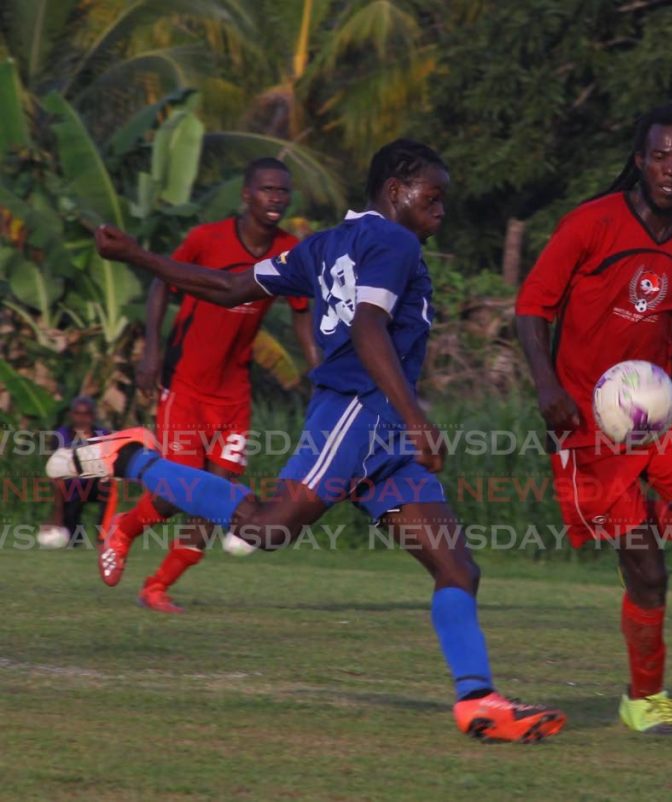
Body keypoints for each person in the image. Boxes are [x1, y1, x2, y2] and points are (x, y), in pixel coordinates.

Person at [48, 139, 565, 743]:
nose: (440, 208)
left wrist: (141, 256)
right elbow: (368, 326)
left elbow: (228, 287)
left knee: (456, 565)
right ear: (396, 190)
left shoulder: (318, 245)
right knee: (266, 528)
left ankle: (479, 701)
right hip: (354, 412)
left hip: (383, 434)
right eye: (434, 195)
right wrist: (416, 417)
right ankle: (132, 455)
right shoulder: (393, 241)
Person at [515, 100, 672, 737]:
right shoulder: (590, 223)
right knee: (647, 570)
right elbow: (531, 308)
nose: (670, 167)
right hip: (585, 423)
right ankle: (644, 701)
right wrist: (546, 386)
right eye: (659, 155)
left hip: (657, 414)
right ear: (639, 160)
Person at [98, 158, 319, 613]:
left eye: (283, 191)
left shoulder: (290, 250)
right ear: (246, 194)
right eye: (267, 189)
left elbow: (302, 312)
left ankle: (157, 586)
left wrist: (321, 372)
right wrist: (152, 351)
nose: (276, 198)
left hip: (234, 393)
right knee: (176, 491)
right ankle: (123, 527)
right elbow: (163, 281)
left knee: (222, 498)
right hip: (186, 385)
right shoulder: (206, 239)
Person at [38, 397, 111, 547]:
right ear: (72, 415)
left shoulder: (103, 435)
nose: (82, 418)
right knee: (72, 508)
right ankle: (74, 537)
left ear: (93, 415)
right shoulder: (61, 435)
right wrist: (57, 512)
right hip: (71, 485)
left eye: (86, 414)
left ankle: (103, 537)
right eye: (78, 414)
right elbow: (55, 473)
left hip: (96, 483)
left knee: (108, 488)